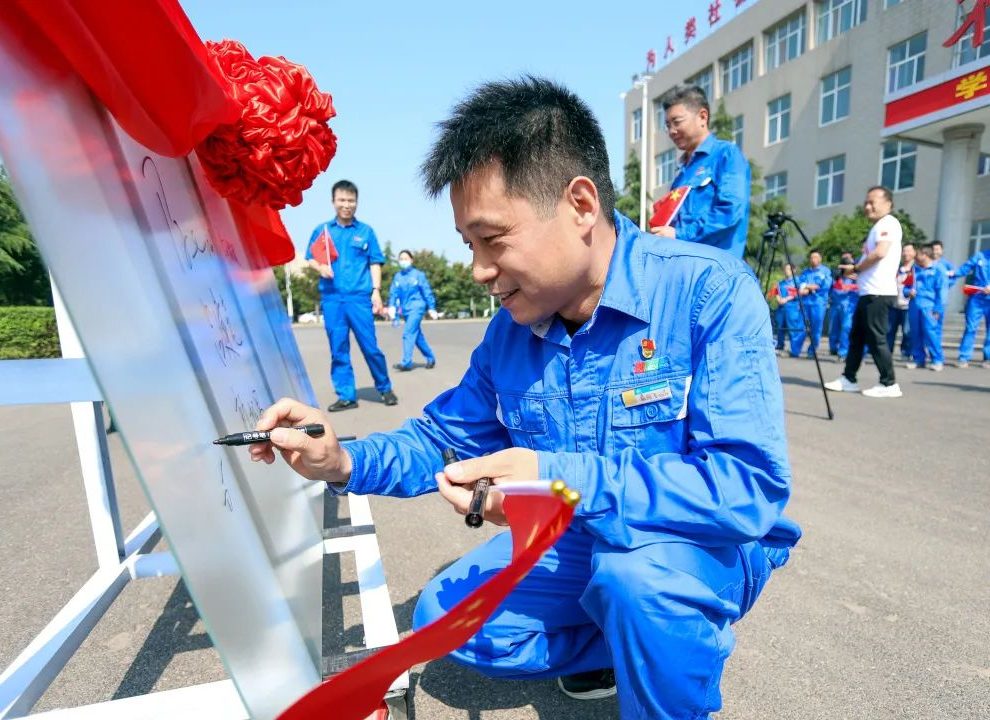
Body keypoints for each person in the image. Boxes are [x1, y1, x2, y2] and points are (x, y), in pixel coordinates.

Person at [249, 76, 800, 719]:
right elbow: (441, 438)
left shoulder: (707, 293)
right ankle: (618, 646)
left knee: (640, 584)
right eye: (469, 246)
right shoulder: (512, 331)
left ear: (580, 205)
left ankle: (667, 683)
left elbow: (746, 490)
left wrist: (555, 478)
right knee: (449, 615)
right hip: (585, 537)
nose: (481, 270)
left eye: (494, 239)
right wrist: (341, 460)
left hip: (692, 540)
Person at [306, 180, 398, 411]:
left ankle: (385, 388)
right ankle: (347, 395)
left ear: (356, 202)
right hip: (332, 298)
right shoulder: (323, 231)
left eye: (351, 201)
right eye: (342, 200)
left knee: (370, 347)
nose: (346, 205)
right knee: (338, 349)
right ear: (333, 202)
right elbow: (310, 257)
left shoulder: (366, 232)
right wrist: (320, 268)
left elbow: (375, 263)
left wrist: (376, 292)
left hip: (359, 298)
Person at [650, 84, 751, 259]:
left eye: (677, 122)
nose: (671, 131)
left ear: (702, 117)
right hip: (684, 270)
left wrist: (679, 235)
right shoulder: (682, 174)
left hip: (716, 270)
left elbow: (730, 211)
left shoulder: (726, 155)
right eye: (667, 125)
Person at [825, 186, 903, 398]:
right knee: (856, 337)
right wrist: (847, 274)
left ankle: (889, 383)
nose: (867, 207)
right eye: (866, 203)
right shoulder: (878, 227)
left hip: (878, 293)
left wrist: (856, 269)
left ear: (888, 204)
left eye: (872, 203)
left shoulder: (888, 223)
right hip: (867, 292)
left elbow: (880, 253)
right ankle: (848, 378)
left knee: (876, 339)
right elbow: (862, 266)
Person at [388, 249, 438, 371]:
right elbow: (393, 293)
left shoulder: (418, 275)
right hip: (405, 309)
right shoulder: (398, 276)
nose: (403, 261)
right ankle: (430, 358)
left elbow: (426, 291)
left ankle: (406, 363)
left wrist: (432, 307)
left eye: (406, 258)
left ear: (411, 260)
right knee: (417, 336)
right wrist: (392, 306)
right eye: (401, 259)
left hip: (417, 307)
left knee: (408, 333)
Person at [904, 244, 947, 371]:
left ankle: (937, 360)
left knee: (931, 332)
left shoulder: (938, 269)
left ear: (925, 255)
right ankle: (918, 359)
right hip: (914, 305)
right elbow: (906, 287)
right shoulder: (914, 269)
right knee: (915, 333)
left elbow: (942, 292)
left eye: (917, 255)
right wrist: (908, 292)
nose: (915, 257)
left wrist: (938, 309)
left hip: (930, 307)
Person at [949, 245, 990, 368]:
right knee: (970, 327)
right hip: (977, 298)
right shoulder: (980, 256)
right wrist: (953, 273)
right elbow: (966, 267)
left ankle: (988, 358)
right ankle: (964, 357)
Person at [790, 249, 831, 358]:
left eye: (816, 257)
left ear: (820, 258)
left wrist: (808, 287)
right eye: (812, 257)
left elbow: (823, 286)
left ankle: (812, 352)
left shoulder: (825, 271)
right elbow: (799, 285)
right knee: (800, 327)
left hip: (818, 304)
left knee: (816, 328)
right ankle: (795, 351)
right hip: (805, 303)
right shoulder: (805, 272)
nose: (813, 259)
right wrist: (809, 287)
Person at [887, 243, 916, 361]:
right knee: (889, 330)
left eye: (909, 251)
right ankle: (887, 353)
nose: (906, 254)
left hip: (908, 306)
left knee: (907, 331)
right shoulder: (897, 269)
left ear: (914, 253)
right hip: (894, 304)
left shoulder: (916, 270)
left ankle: (906, 352)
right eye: (904, 251)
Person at [827, 252, 859, 361]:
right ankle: (833, 348)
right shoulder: (837, 277)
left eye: (849, 259)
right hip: (836, 306)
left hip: (849, 307)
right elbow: (831, 290)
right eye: (845, 259)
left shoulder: (857, 278)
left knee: (846, 328)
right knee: (833, 329)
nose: (847, 260)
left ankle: (843, 352)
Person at [773, 263, 799, 355]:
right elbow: (775, 291)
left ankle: (794, 350)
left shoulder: (797, 281)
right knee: (780, 328)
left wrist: (786, 299)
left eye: (788, 269)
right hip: (781, 308)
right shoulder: (781, 282)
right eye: (785, 269)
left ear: (793, 270)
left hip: (791, 308)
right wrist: (778, 298)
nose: (786, 271)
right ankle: (780, 345)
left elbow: (798, 293)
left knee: (793, 329)